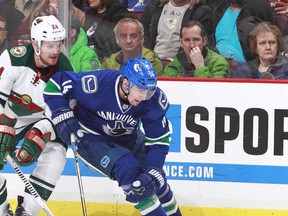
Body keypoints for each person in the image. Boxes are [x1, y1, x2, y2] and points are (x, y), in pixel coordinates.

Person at [43, 58, 182, 216]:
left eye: (148, 91)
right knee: (131, 174)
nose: (144, 96)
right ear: (126, 83)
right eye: (140, 90)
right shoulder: (97, 83)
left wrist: (154, 170)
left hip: (128, 137)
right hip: (92, 139)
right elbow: (55, 84)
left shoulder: (153, 99)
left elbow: (158, 140)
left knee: (155, 182)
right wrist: (61, 112)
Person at [0, 15, 73, 215]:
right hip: (8, 118)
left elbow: (61, 113)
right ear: (35, 43)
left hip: (40, 120)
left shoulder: (64, 70)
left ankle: (28, 211)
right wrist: (2, 124)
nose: (56, 51)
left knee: (57, 153)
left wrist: (42, 131)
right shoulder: (13, 58)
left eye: (58, 45)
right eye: (50, 45)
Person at [141, 0, 214, 62]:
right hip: (152, 62)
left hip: (182, 66)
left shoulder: (202, 11)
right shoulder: (153, 7)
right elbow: (144, 38)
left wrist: (176, 64)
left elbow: (202, 45)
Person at [163, 20, 230, 77]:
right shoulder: (173, 66)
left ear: (204, 41)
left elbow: (212, 91)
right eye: (187, 40)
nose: (192, 45)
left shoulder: (219, 63)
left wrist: (200, 66)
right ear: (181, 43)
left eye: (196, 40)